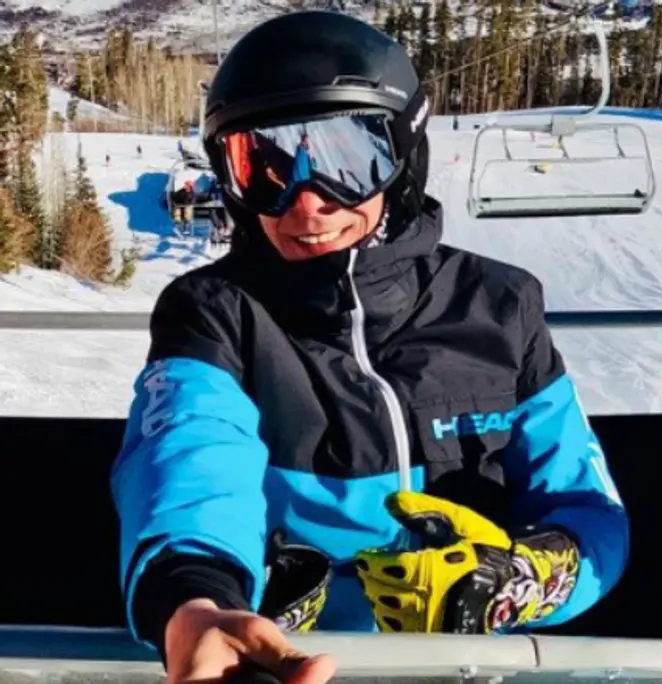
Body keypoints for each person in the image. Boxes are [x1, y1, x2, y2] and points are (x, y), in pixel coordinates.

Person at [111, 10, 629, 684]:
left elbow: (586, 509)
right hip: (292, 661)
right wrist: (196, 600)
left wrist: (520, 579)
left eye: (347, 161)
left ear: (404, 157)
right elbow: (192, 460)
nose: (306, 203)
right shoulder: (216, 313)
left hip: (474, 666)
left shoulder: (499, 306)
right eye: (263, 167)